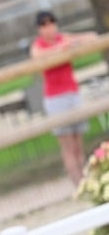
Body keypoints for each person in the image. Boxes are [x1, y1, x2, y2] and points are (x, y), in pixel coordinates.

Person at [30, 10, 97, 185]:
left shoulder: (63, 38)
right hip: (56, 99)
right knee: (67, 146)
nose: (49, 28)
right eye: (44, 25)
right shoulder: (39, 45)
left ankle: (87, 182)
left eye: (51, 23)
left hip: (72, 93)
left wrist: (71, 42)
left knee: (78, 144)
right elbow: (37, 56)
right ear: (39, 29)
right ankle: (77, 184)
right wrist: (61, 48)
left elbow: (91, 37)